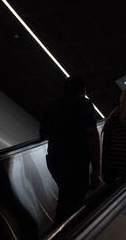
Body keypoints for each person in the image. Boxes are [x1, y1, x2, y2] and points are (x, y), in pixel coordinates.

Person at [40, 75, 100, 225]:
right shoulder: (84, 103)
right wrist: (96, 167)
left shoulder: (53, 106)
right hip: (75, 161)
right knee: (73, 202)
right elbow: (92, 134)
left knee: (66, 197)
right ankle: (65, 231)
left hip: (54, 160)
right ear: (82, 89)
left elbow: (43, 135)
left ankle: (59, 228)